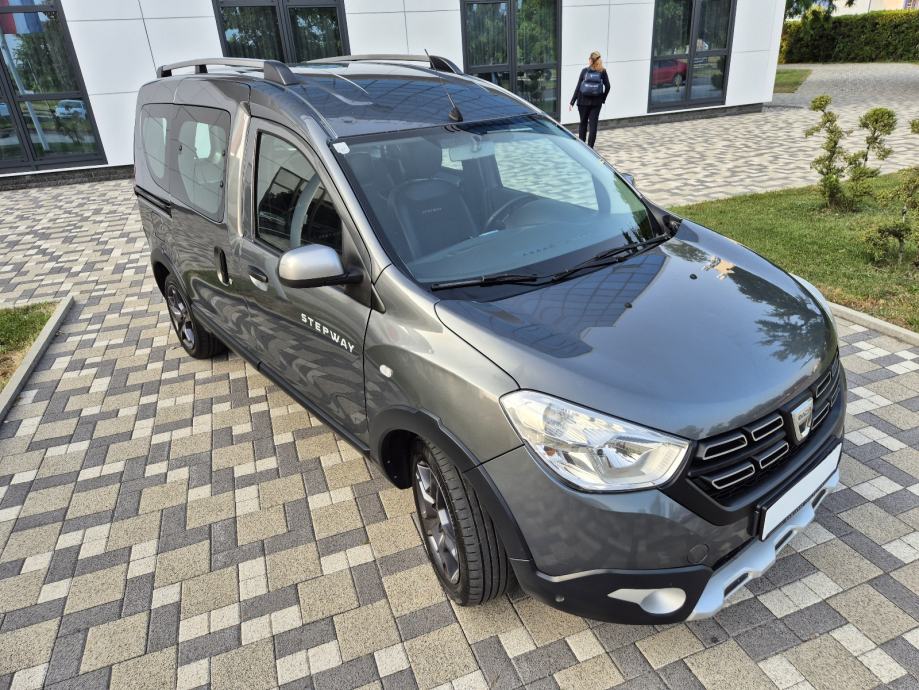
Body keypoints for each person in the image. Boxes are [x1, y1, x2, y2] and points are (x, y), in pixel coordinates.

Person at [568, 51, 610, 148]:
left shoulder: (584, 71)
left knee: (583, 123)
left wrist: (572, 102)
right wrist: (603, 98)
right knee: (593, 126)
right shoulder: (602, 71)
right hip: (596, 103)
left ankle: (582, 148)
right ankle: (590, 148)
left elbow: (578, 87)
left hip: (582, 101)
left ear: (591, 60)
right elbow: (608, 86)